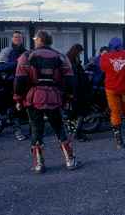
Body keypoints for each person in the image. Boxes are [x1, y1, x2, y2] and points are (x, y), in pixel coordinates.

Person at [14, 30, 80, 174]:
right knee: (59, 128)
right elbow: (70, 80)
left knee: (36, 130)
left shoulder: (26, 56)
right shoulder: (61, 57)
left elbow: (19, 80)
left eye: (35, 39)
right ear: (50, 41)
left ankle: (39, 164)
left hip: (34, 98)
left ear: (38, 40)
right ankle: (70, 160)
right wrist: (68, 98)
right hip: (54, 97)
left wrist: (18, 98)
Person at [100, 37, 125, 149]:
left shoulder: (105, 57)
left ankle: (119, 141)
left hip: (112, 88)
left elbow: (102, 69)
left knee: (115, 112)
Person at [0, 30, 28, 141]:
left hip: (23, 82)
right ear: (12, 39)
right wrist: (17, 64)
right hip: (10, 82)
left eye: (19, 37)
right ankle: (17, 130)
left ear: (22, 39)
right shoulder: (7, 51)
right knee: (15, 106)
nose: (17, 39)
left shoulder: (26, 52)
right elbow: (0, 67)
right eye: (15, 37)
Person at [66, 44, 90, 142]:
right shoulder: (72, 62)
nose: (80, 54)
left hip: (73, 91)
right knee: (80, 112)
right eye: (80, 52)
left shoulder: (69, 60)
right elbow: (75, 78)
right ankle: (77, 133)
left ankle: (74, 132)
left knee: (73, 113)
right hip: (76, 91)